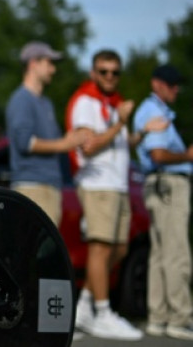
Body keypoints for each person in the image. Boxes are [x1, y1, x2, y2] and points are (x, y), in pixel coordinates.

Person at [67, 50, 166, 341]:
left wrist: (142, 132)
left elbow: (119, 144)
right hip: (98, 185)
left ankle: (84, 306)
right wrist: (121, 123)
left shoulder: (113, 104)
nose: (110, 77)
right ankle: (102, 311)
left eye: (115, 72)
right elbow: (89, 146)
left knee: (119, 249)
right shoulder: (86, 101)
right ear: (93, 72)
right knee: (100, 249)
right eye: (104, 71)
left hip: (118, 186)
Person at [133, 64, 193, 340]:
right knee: (176, 253)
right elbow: (158, 155)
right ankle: (180, 318)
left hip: (157, 186)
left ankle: (159, 316)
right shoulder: (156, 113)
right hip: (169, 184)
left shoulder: (151, 111)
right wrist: (188, 156)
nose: (176, 88)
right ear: (157, 84)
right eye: (171, 84)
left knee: (159, 254)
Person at [5, 41, 88, 226]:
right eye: (49, 63)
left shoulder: (45, 103)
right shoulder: (21, 100)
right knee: (34, 250)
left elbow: (56, 141)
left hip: (49, 186)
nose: (53, 70)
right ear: (33, 63)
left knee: (45, 251)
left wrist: (75, 139)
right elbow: (25, 143)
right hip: (32, 187)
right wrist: (64, 144)